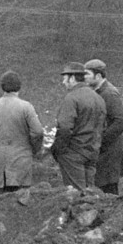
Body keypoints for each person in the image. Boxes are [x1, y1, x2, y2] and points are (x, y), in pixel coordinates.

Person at [0, 70, 44, 193]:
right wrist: (34, 149)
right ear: (19, 87)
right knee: (21, 200)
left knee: (1, 201)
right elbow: (38, 132)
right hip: (22, 159)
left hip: (0, 160)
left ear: (2, 87)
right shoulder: (26, 107)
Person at [49, 62, 105, 190]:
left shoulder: (71, 98)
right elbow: (102, 126)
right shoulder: (98, 98)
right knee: (90, 194)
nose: (63, 82)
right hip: (92, 152)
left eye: (65, 78)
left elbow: (64, 128)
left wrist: (57, 150)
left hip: (73, 154)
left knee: (75, 195)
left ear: (72, 78)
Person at [84, 59, 123, 195]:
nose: (83, 77)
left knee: (109, 193)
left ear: (98, 76)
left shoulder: (109, 93)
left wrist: (100, 141)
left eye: (86, 74)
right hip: (104, 152)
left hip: (111, 152)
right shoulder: (98, 92)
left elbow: (121, 122)